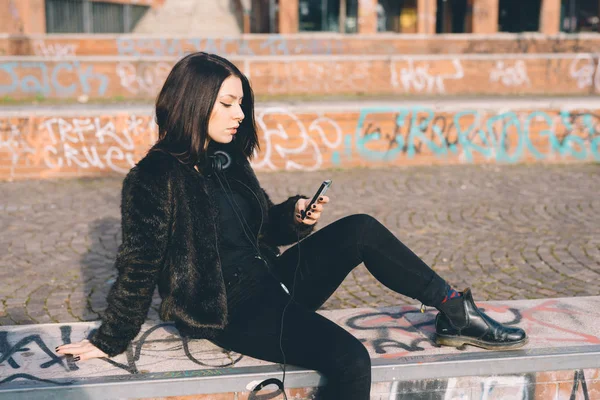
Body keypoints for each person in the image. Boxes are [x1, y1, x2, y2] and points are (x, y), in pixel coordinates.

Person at [56, 52, 527, 399]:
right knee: (349, 358)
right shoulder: (154, 178)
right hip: (229, 310)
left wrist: (293, 218)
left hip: (272, 280)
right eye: (228, 104)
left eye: (241, 104)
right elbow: (138, 265)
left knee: (360, 227)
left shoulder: (227, 159)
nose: (240, 115)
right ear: (195, 102)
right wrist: (108, 340)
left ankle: (454, 311)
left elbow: (259, 231)